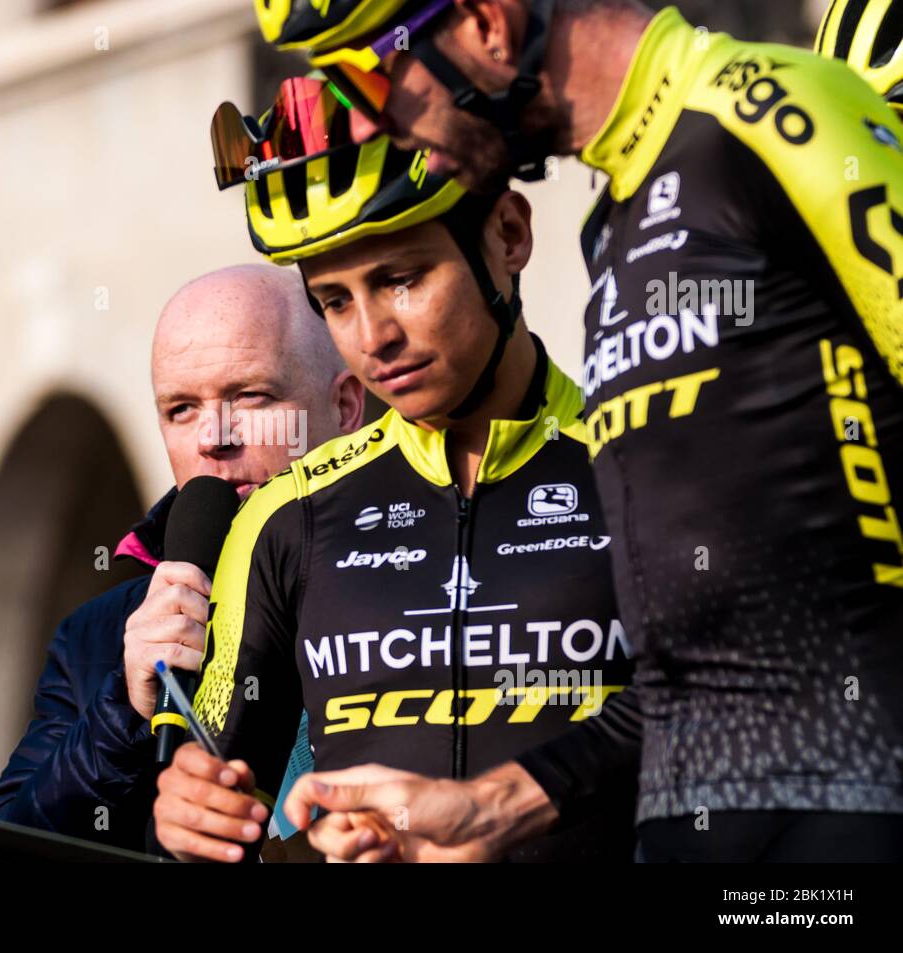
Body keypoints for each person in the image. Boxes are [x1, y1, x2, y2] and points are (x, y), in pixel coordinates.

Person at [259, 0, 903, 861]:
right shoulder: (620, 218)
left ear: (488, 21)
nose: (381, 121)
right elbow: (692, 669)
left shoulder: (772, 115)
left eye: (375, 74)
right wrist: (492, 806)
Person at [154, 114, 637, 863]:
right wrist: (195, 813)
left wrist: (508, 802)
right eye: (336, 301)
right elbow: (224, 810)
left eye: (402, 279)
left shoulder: (644, 469)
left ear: (509, 234)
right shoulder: (290, 517)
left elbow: (747, 718)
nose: (371, 335)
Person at [0, 264, 364, 852]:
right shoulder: (101, 635)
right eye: (181, 409)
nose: (212, 436)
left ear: (346, 406)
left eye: (250, 396)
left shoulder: (429, 579)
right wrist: (123, 713)